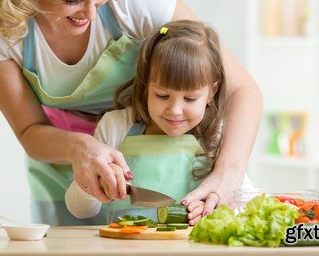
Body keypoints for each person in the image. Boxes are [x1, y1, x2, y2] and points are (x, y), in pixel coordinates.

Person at [0, 0, 262, 226]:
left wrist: (228, 174)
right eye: (72, 1)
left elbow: (242, 89)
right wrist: (81, 149)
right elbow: (29, 130)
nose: (90, 15)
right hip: (62, 157)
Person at [65, 21, 254, 225]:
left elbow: (249, 202)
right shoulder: (116, 125)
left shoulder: (217, 134)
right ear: (147, 86)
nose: (174, 110)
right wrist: (96, 183)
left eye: (190, 99)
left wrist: (217, 206)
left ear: (212, 92)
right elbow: (78, 210)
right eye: (162, 95)